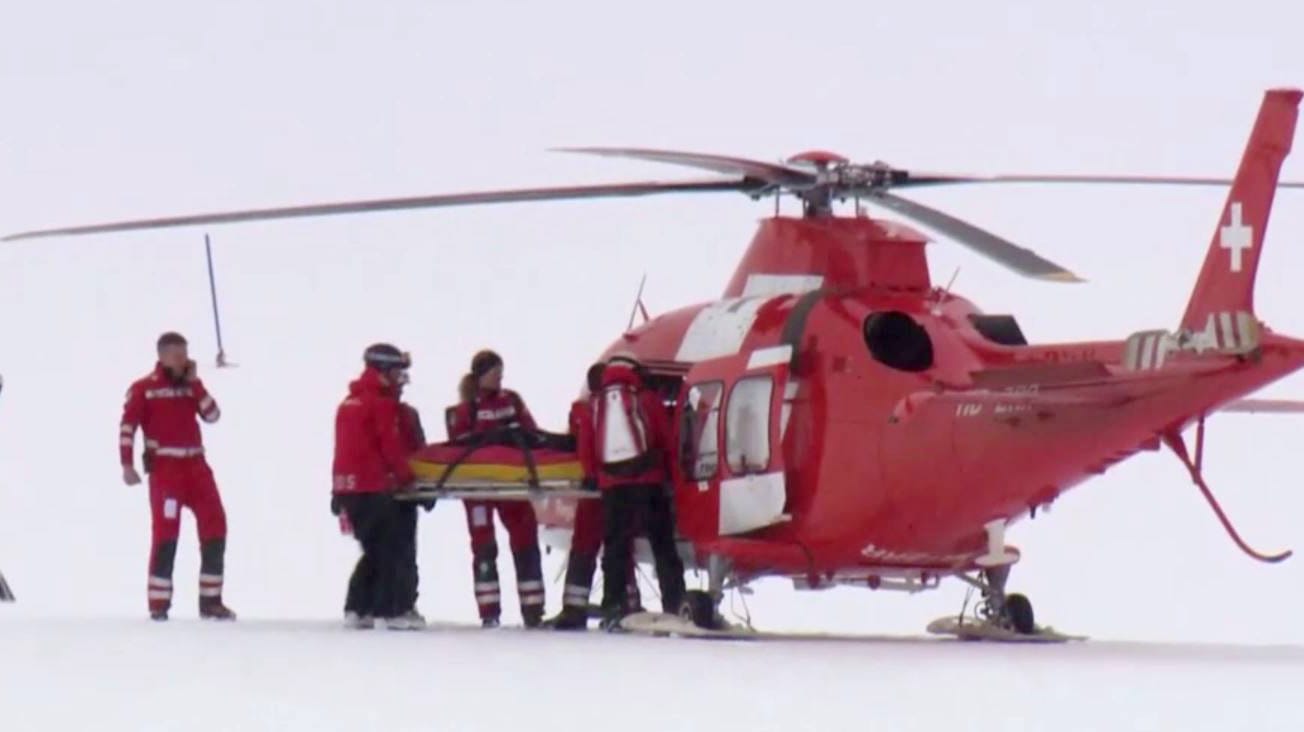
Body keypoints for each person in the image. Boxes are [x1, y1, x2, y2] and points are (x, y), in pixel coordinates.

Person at [120, 332, 235, 621]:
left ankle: (211, 601)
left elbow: (213, 415)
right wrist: (127, 464)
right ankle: (159, 605)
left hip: (196, 466)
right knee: (166, 533)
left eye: (185, 354)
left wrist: (195, 384)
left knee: (215, 524)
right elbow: (127, 426)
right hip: (166, 471)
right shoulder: (144, 388)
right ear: (162, 356)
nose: (182, 360)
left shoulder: (191, 387)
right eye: (176, 355)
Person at [447, 350, 546, 628]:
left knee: (526, 538)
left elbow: (531, 431)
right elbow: (459, 445)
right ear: (481, 375)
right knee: (484, 546)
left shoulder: (511, 400)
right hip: (478, 486)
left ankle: (533, 608)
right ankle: (489, 611)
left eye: (501, 371)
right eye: (494, 371)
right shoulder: (467, 409)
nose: (500, 376)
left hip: (511, 482)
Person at [591, 355, 686, 631]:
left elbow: (589, 445)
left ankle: (613, 606)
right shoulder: (647, 398)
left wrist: (596, 476)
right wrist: (672, 474)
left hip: (612, 487)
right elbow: (667, 439)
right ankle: (675, 602)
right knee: (662, 544)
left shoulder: (597, 403)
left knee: (616, 548)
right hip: (648, 482)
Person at [332, 343, 422, 631]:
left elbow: (343, 451)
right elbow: (391, 446)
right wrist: (408, 478)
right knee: (392, 550)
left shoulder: (349, 403)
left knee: (374, 550)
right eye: (397, 372)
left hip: (350, 491)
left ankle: (358, 607)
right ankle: (392, 610)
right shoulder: (382, 405)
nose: (401, 380)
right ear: (382, 371)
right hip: (377, 489)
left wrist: (338, 492)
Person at [547, 362, 642, 631]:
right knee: (620, 543)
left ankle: (574, 607)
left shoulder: (585, 410)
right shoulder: (624, 403)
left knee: (585, 545)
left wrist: (589, 474)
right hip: (621, 485)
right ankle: (627, 602)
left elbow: (585, 442)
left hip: (594, 488)